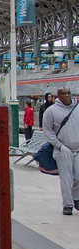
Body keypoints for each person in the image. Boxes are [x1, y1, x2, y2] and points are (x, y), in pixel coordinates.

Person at [42, 87, 79, 215]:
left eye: (69, 93)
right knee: (66, 178)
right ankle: (68, 204)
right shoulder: (51, 111)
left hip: (78, 149)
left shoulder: (77, 108)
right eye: (64, 94)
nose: (67, 96)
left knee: (78, 175)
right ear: (58, 96)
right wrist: (59, 146)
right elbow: (47, 131)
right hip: (62, 150)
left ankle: (76, 197)